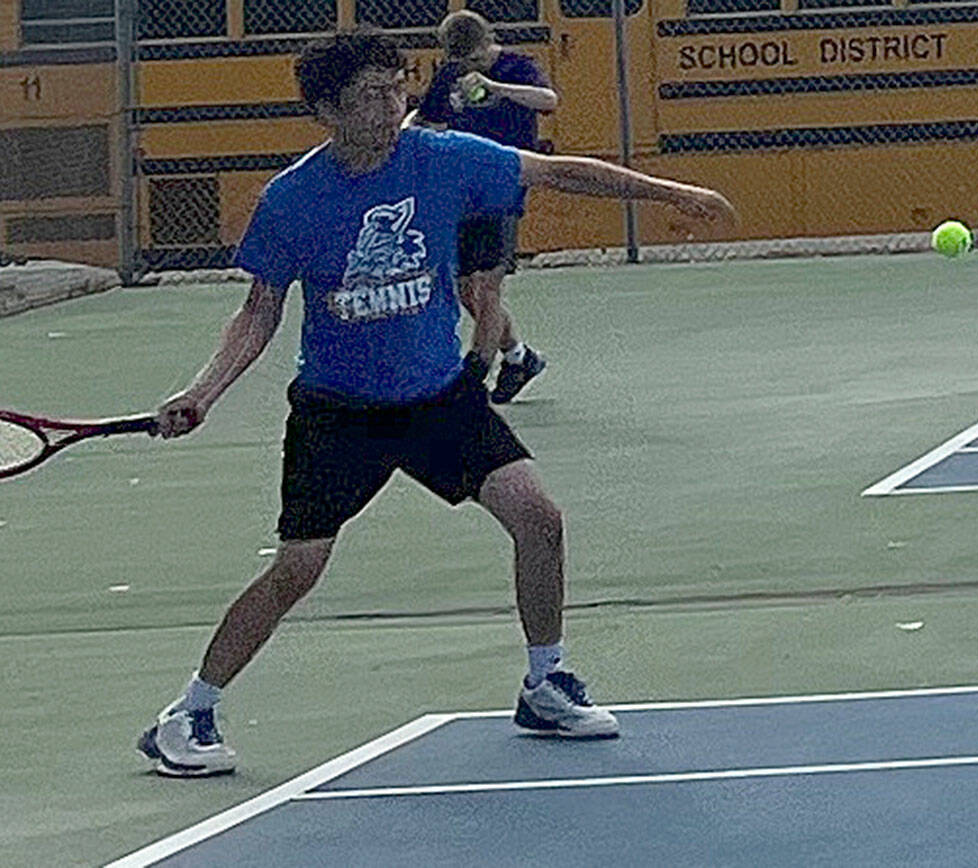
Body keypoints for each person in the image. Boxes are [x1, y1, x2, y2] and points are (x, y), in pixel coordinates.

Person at [136, 32, 737, 777]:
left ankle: (545, 683)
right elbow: (259, 312)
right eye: (369, 96)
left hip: (437, 399)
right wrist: (202, 392)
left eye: (397, 87)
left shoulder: (442, 157)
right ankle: (187, 712)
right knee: (298, 568)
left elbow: (557, 173)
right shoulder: (292, 200)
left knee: (539, 517)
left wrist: (672, 192)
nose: (392, 105)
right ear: (325, 110)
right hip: (338, 412)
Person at [410, 10, 557, 404]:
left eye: (475, 60)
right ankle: (518, 357)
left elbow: (548, 100)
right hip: (458, 190)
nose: (468, 68)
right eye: (462, 62)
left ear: (486, 44)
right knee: (465, 290)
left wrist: (495, 86)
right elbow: (427, 119)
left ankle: (474, 373)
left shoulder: (516, 66)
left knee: (487, 285)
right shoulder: (449, 73)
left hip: (502, 187)